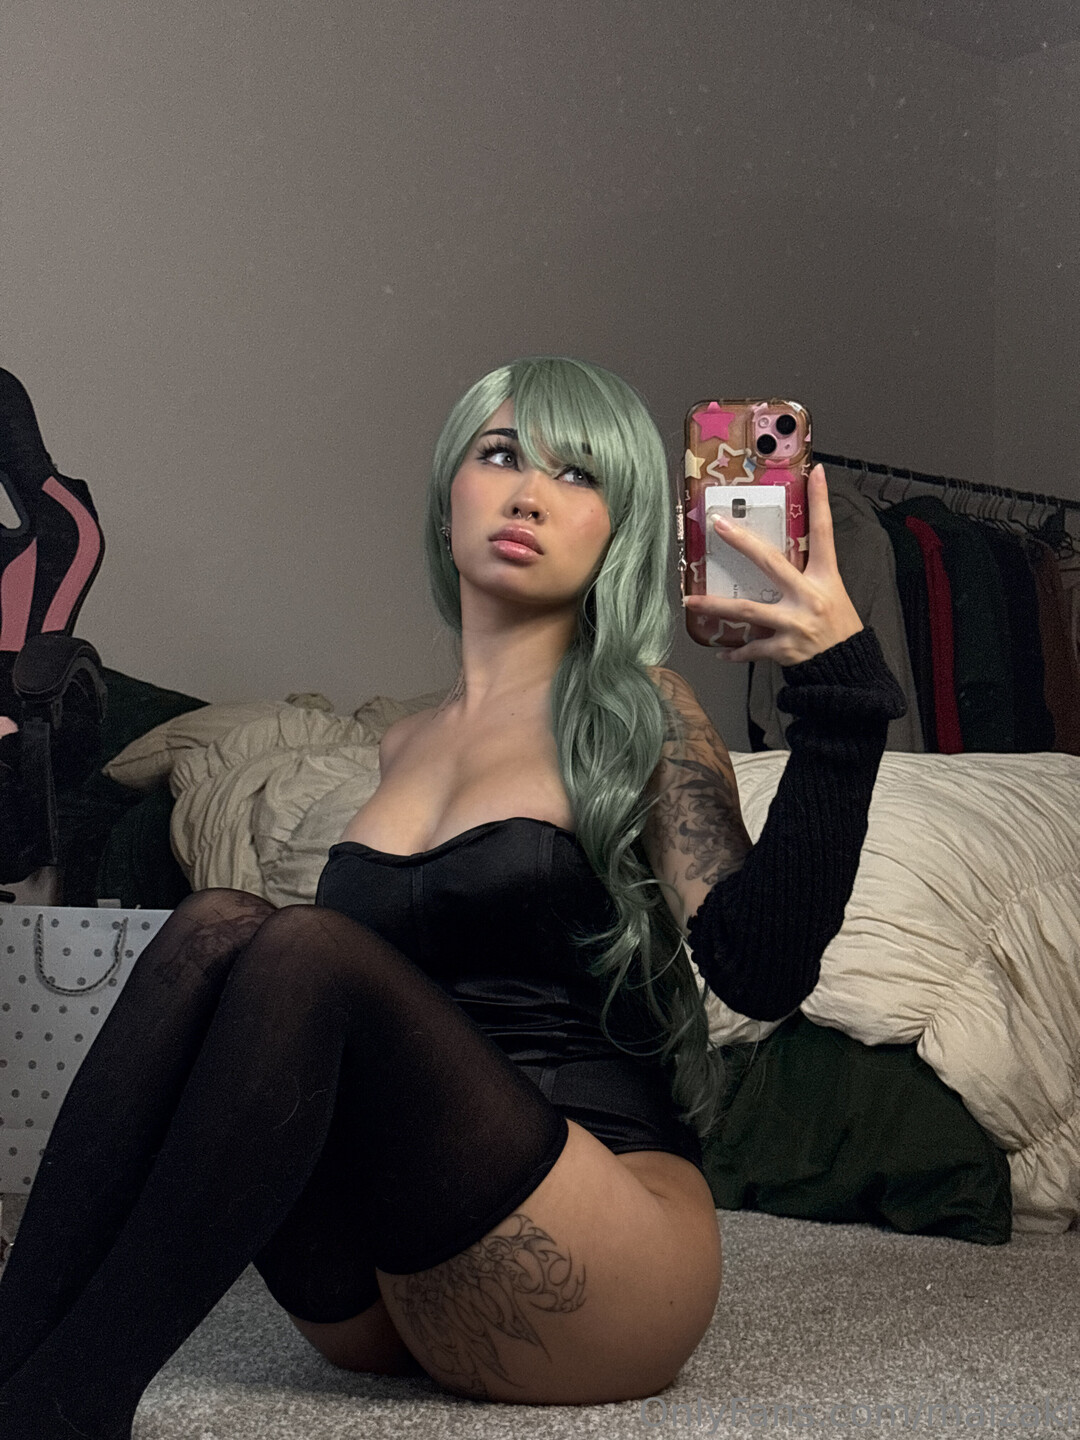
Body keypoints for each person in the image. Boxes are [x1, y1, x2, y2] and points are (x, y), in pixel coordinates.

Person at [0, 356, 906, 1433]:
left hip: (602, 1247)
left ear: (620, 535)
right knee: (219, 924)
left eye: (578, 475)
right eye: (502, 454)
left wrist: (838, 694)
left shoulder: (639, 713)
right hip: (389, 1279)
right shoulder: (401, 744)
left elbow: (762, 971)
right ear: (447, 501)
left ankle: (66, 1404)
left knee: (302, 947)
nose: (529, 493)